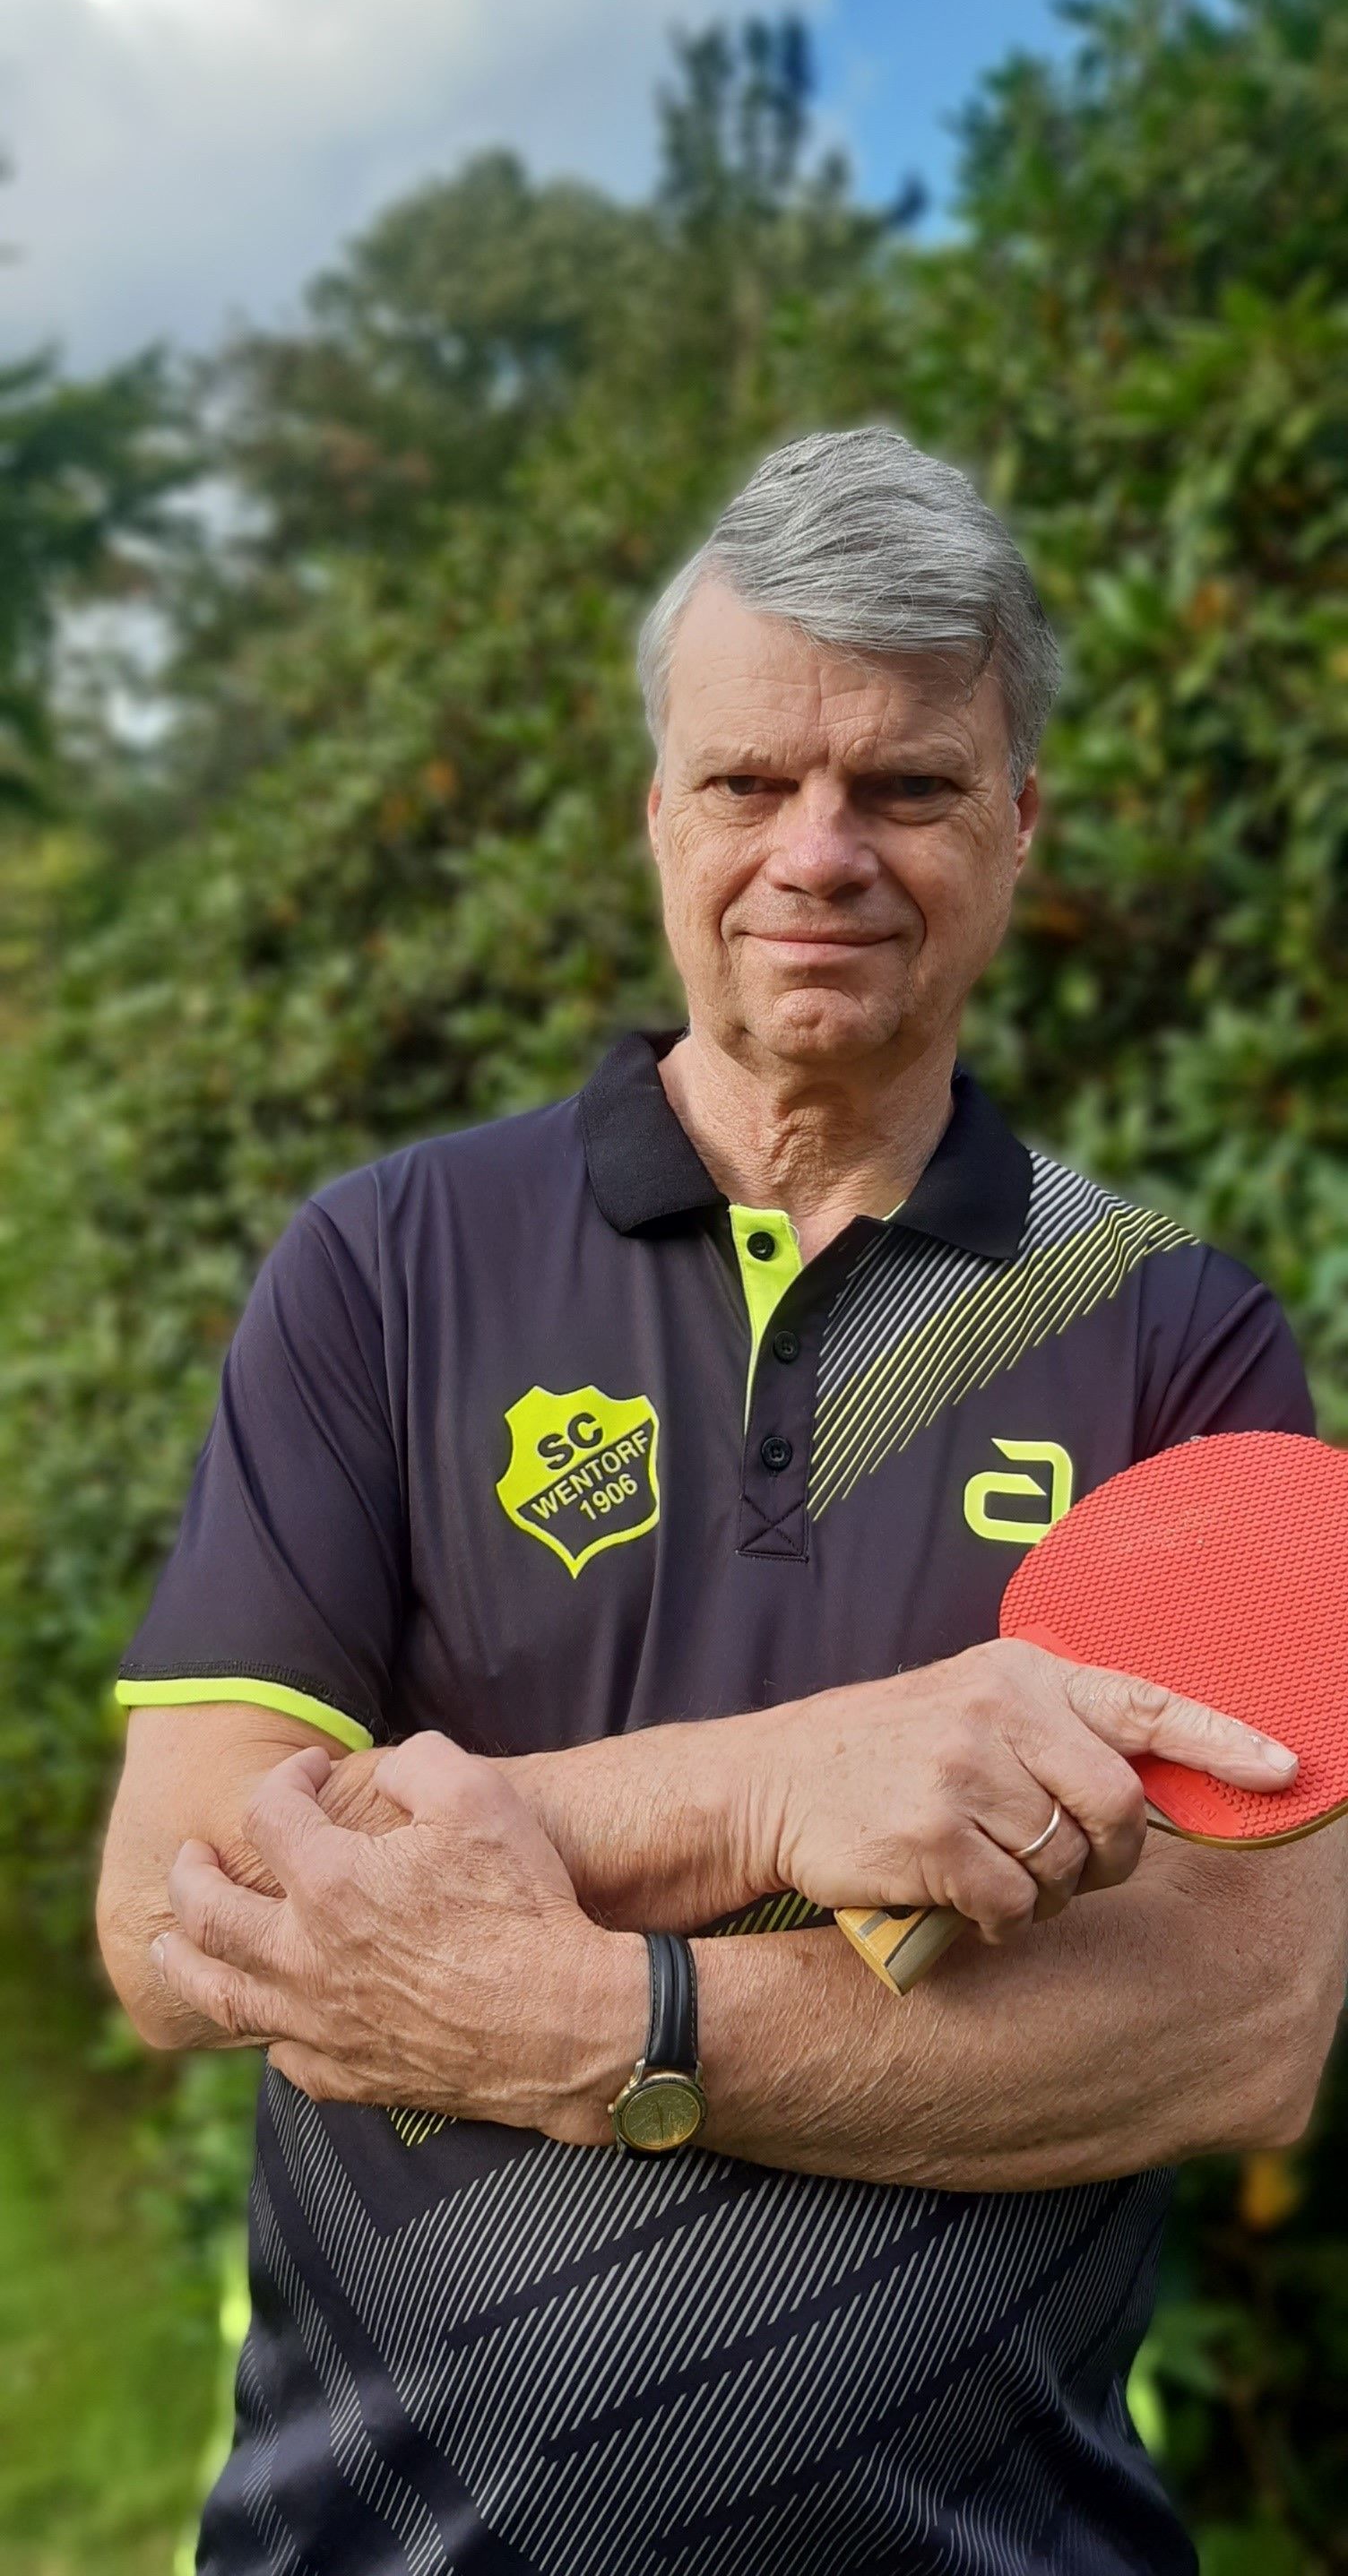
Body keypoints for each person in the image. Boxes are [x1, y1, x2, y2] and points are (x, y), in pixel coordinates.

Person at [98, 427, 1345, 2576]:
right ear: (658, 815)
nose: (817, 852)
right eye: (749, 780)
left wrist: (599, 2026)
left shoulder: (1172, 1331)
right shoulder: (387, 1264)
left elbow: (1233, 2031)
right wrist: (776, 1790)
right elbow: (180, 1919)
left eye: (907, 786)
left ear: (1018, 823)